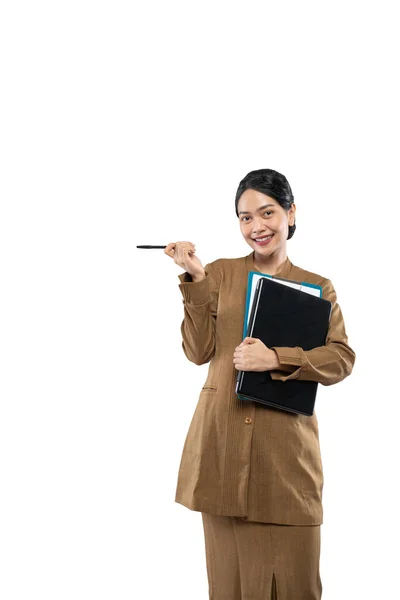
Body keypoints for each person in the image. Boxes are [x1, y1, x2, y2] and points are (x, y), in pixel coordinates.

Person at [164, 168, 356, 600]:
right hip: (221, 453)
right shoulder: (219, 274)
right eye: (245, 217)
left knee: (295, 587)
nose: (256, 227)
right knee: (228, 588)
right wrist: (195, 279)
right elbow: (197, 351)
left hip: (285, 464)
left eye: (266, 213)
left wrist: (276, 358)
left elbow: (341, 358)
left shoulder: (316, 287)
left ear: (290, 213)